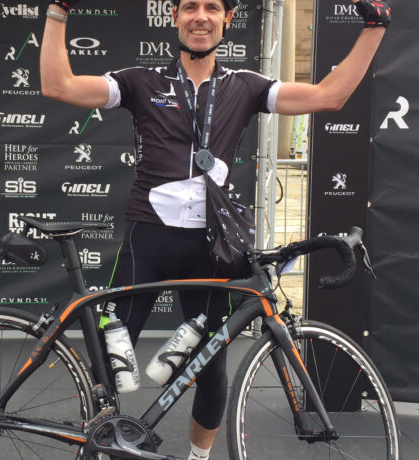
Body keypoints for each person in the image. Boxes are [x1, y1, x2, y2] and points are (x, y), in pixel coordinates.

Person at [40, 1, 390, 458]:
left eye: (211, 7)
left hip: (212, 246)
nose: (200, 16)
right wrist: (58, 11)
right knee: (109, 362)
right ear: (174, 17)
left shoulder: (246, 86)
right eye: (190, 7)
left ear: (228, 19)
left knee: (211, 367)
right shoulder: (141, 81)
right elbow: (58, 85)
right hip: (149, 237)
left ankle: (198, 457)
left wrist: (375, 27)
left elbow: (329, 96)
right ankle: (99, 444)